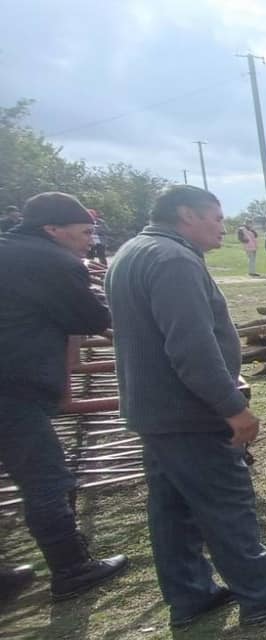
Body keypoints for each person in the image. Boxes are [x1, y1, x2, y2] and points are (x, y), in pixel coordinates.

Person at [105, 185, 266, 628]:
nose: (225, 227)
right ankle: (263, 593)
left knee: (172, 507)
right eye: (217, 218)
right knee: (227, 502)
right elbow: (191, 347)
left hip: (157, 409)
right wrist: (231, 406)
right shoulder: (173, 260)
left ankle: (190, 594)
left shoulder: (132, 251)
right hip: (188, 411)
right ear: (187, 214)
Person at [0, 192, 130, 601]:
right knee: (46, 479)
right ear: (52, 229)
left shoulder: (9, 249)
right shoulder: (52, 261)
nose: (89, 239)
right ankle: (73, 569)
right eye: (84, 231)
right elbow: (91, 318)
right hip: (13, 387)